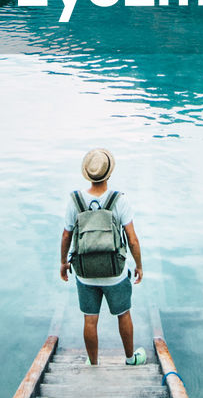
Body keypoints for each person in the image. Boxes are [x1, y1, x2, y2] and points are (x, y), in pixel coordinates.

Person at [60, 147, 146, 366]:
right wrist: (139, 266)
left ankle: (94, 363)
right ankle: (129, 359)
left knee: (90, 319)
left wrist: (63, 263)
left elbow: (66, 235)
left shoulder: (75, 201)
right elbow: (133, 239)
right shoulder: (119, 201)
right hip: (115, 271)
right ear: (109, 173)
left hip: (85, 272)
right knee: (123, 314)